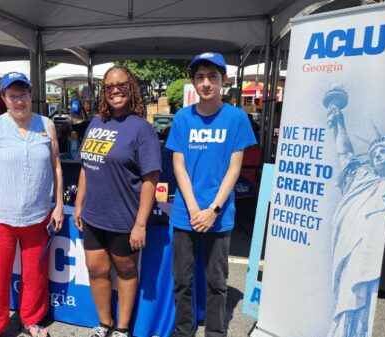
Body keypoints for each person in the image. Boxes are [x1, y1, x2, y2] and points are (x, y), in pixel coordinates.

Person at [165, 52, 256, 337]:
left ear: (224, 80)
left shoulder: (237, 118)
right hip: (185, 214)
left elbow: (234, 168)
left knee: (217, 281)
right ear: (193, 81)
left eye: (212, 77)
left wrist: (213, 210)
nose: (206, 83)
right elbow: (178, 164)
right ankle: (183, 330)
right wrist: (194, 209)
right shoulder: (182, 117)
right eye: (201, 77)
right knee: (182, 280)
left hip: (219, 215)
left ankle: (215, 332)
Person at [73, 65, 161, 337]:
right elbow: (87, 165)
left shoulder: (142, 129)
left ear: (131, 88)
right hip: (93, 215)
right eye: (109, 87)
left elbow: (151, 179)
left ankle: (122, 329)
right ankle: (104, 324)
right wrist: (78, 203)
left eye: (121, 85)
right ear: (104, 93)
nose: (115, 91)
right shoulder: (96, 123)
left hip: (124, 218)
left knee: (125, 269)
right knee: (95, 269)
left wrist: (140, 224)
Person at [0, 72, 63, 337]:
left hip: (37, 215)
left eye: (23, 94)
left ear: (31, 95)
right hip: (1, 216)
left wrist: (58, 205)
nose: (19, 100)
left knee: (35, 274)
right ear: (3, 98)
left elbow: (56, 166)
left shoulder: (46, 125)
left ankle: (31, 320)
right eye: (12, 95)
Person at [324, 85, 385, 337]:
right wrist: (338, 122)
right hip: (351, 243)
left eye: (384, 151)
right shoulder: (360, 178)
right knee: (348, 292)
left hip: (375, 247)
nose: (378, 156)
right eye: (374, 153)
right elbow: (345, 153)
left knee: (366, 292)